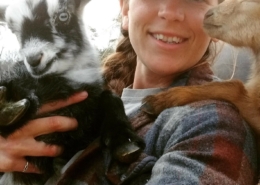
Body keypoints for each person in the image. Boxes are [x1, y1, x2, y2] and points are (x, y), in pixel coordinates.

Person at [0, 0, 258, 184]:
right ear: (124, 8)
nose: (170, 12)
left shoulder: (212, 124)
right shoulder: (87, 97)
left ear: (217, 19)